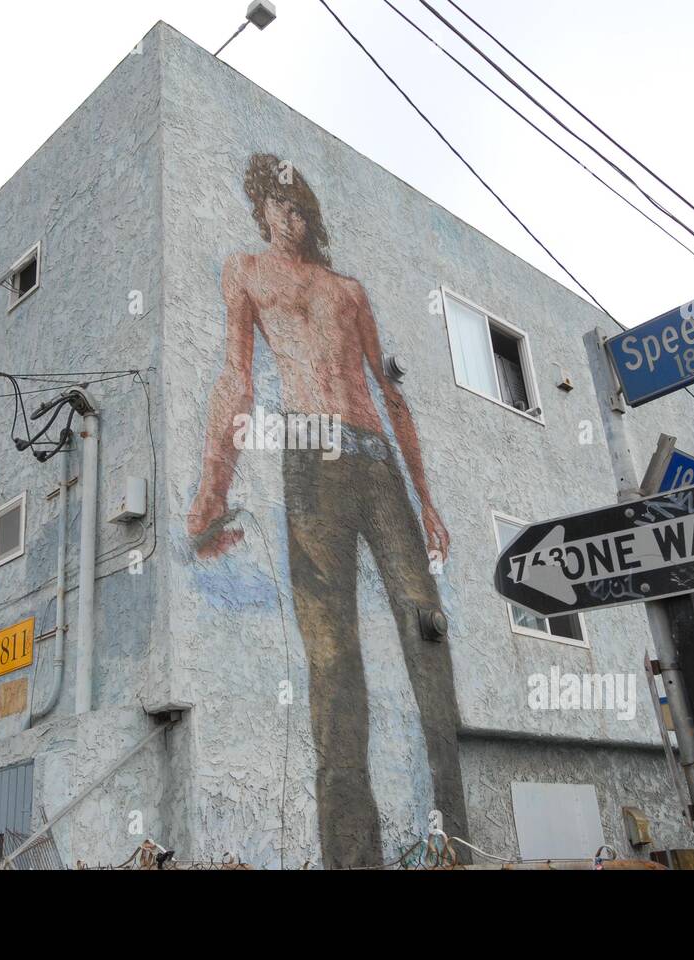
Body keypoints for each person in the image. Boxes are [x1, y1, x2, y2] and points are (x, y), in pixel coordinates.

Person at [188, 153, 471, 868]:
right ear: (262, 210)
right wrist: (212, 490)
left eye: (302, 206)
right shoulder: (246, 273)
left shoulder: (349, 290)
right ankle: (353, 859)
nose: (293, 216)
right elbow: (236, 378)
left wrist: (428, 498)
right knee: (333, 657)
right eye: (281, 205)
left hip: (377, 461)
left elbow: (392, 392)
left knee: (425, 630)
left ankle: (458, 842)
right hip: (310, 460)